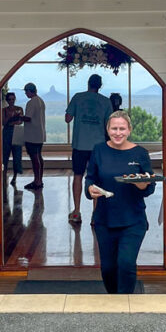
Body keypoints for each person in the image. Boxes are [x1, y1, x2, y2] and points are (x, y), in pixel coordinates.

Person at [86, 111, 154, 294]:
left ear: (129, 130)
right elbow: (90, 178)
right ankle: (113, 300)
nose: (118, 132)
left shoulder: (140, 153)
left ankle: (125, 304)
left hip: (133, 220)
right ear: (107, 130)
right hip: (104, 220)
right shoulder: (99, 150)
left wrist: (141, 184)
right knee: (108, 268)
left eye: (122, 128)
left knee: (126, 264)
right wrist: (89, 189)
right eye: (114, 128)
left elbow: (150, 187)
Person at [65, 73, 112, 224]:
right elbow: (109, 124)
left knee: (78, 176)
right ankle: (95, 214)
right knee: (96, 179)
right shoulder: (105, 101)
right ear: (100, 86)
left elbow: (67, 118)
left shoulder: (78, 97)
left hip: (80, 144)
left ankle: (77, 211)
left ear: (88, 83)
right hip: (98, 146)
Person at [22, 83, 46, 191]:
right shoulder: (40, 101)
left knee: (34, 158)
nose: (26, 94)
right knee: (39, 157)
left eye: (26, 92)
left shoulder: (31, 102)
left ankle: (37, 181)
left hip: (32, 135)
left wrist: (18, 117)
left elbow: (28, 118)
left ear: (29, 91)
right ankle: (39, 179)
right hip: (39, 134)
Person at [2, 92, 23, 186]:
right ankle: (3, 175)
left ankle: (15, 177)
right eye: (9, 99)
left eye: (13, 99)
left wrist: (11, 121)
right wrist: (13, 119)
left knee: (17, 156)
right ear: (7, 100)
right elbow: (4, 122)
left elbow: (20, 121)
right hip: (7, 133)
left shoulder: (19, 109)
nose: (11, 101)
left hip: (17, 132)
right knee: (5, 156)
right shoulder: (4, 110)